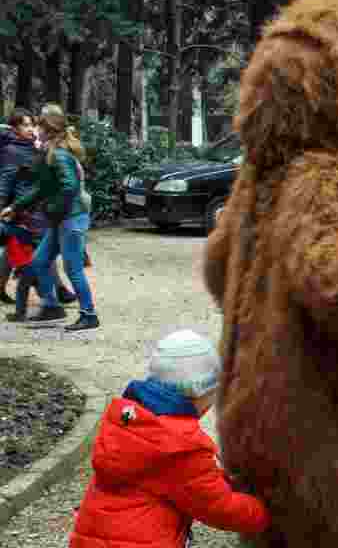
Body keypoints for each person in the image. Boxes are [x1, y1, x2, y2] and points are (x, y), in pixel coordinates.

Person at [67, 329, 271, 546]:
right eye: (212, 396)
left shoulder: (128, 420)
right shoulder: (178, 446)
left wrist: (223, 479)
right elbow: (219, 507)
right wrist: (265, 512)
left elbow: (189, 478)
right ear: (198, 392)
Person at [1, 103, 99, 330]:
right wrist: (15, 207)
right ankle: (52, 306)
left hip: (71, 219)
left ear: (47, 128)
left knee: (72, 268)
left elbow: (70, 187)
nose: (35, 128)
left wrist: (54, 209)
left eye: (37, 124)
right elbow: (41, 189)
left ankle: (89, 314)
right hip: (61, 218)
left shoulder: (60, 154)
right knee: (39, 261)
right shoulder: (49, 151)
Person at [0, 108, 76, 307]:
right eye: (24, 125)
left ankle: (51, 292)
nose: (30, 128)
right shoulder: (12, 150)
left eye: (31, 124)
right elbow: (6, 180)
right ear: (15, 128)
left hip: (30, 205)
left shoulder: (31, 146)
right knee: (39, 247)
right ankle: (55, 292)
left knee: (15, 250)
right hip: (21, 208)